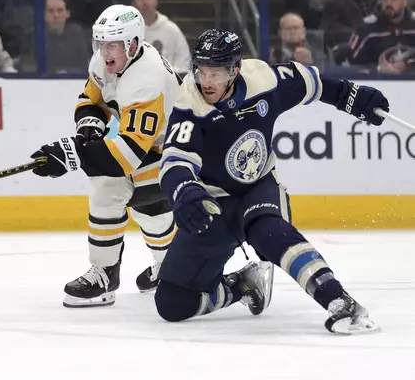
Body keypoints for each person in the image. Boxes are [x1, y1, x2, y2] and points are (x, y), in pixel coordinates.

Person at [154, 28, 386, 335]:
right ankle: (244, 286)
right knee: (172, 303)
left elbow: (310, 81)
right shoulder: (190, 102)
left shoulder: (263, 79)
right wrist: (183, 189)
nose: (207, 82)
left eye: (217, 73)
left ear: (235, 70)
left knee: (267, 231)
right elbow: (175, 160)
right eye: (202, 71)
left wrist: (349, 96)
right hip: (213, 200)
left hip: (258, 186)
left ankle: (339, 301)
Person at [28, 4, 184, 308]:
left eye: (112, 43)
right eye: (100, 42)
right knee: (147, 206)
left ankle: (106, 276)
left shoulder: (147, 80)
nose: (104, 50)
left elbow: (124, 158)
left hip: (180, 158)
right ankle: (170, 267)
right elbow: (91, 99)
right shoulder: (109, 61)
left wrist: (73, 154)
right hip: (152, 151)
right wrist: (89, 126)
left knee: (111, 185)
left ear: (133, 43)